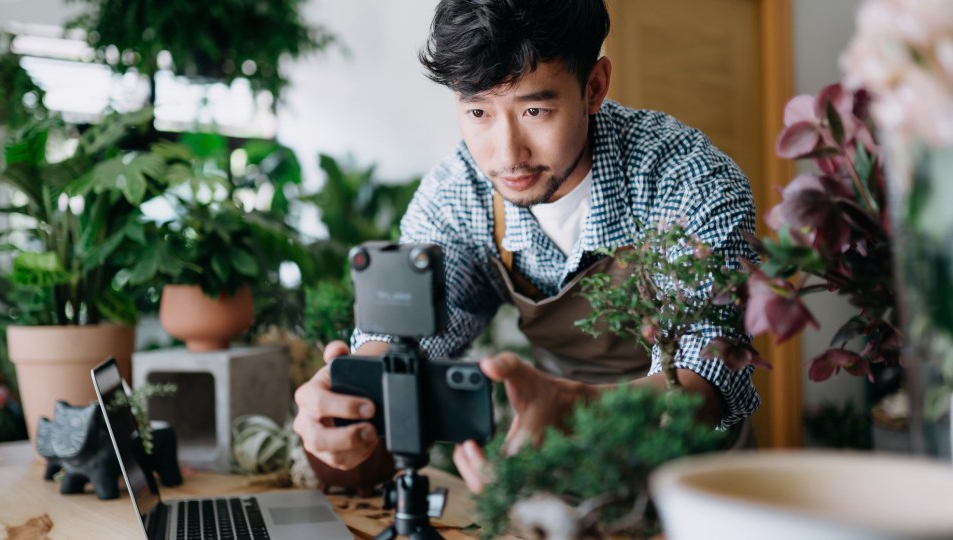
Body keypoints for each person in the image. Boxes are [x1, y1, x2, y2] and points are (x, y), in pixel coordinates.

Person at [293, 0, 759, 494]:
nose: (508, 154)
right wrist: (350, 395)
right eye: (477, 112)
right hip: (559, 475)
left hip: (701, 481)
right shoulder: (459, 196)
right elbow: (406, 332)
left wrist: (569, 405)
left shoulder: (687, 179)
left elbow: (706, 380)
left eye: (535, 110)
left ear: (595, 86)